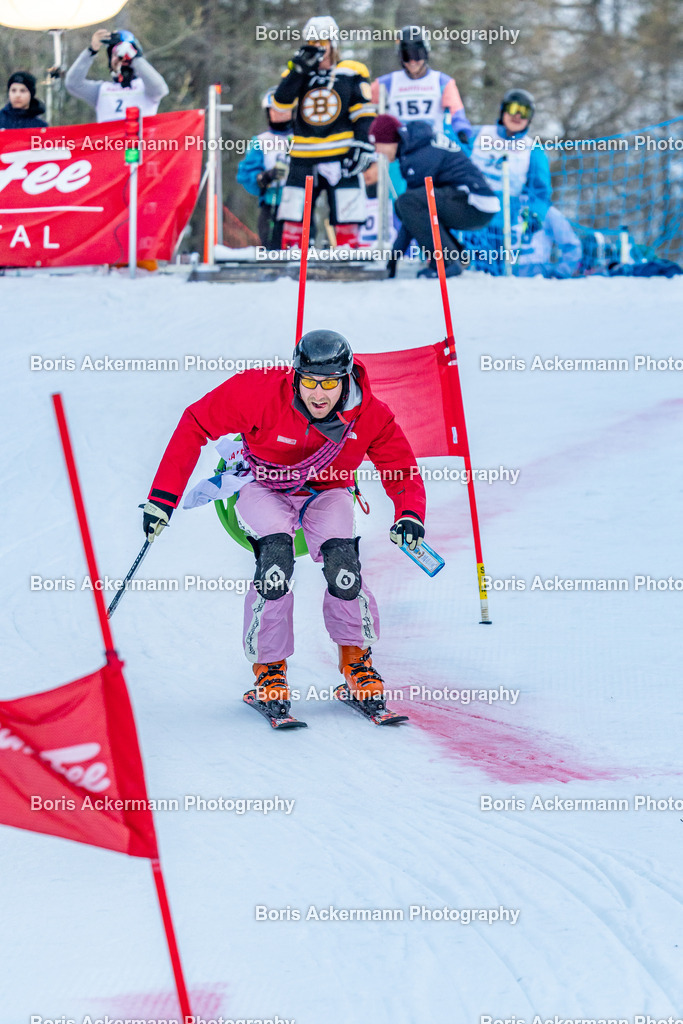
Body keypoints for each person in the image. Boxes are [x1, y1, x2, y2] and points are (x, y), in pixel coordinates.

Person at [142, 330, 427, 722]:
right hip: (263, 487)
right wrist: (162, 498)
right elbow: (196, 421)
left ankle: (356, 663)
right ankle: (269, 670)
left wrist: (410, 513)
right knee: (275, 563)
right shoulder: (258, 392)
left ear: (346, 379)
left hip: (327, 491)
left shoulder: (370, 414)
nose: (318, 394)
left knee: (343, 566)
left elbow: (400, 467)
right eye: (309, 381)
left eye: (330, 383)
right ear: (295, 376)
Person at [272, 15, 376, 249]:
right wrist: (298, 71)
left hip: (341, 154)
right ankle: (294, 257)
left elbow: (363, 112)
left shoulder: (352, 71)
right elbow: (279, 108)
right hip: (303, 156)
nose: (318, 47)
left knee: (348, 210)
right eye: (312, 42)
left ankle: (348, 256)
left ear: (333, 42)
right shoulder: (296, 72)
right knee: (295, 211)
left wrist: (363, 144)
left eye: (322, 41)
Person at [368, 114, 499, 277]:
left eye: (377, 144)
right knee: (407, 205)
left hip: (474, 204)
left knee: (406, 203)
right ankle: (456, 255)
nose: (377, 151)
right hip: (473, 202)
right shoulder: (418, 145)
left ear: (390, 140)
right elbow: (413, 215)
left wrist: (393, 260)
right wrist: (393, 260)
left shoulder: (418, 155)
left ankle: (447, 262)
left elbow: (410, 209)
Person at [466, 88, 551, 273]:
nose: (517, 116)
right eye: (513, 109)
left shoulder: (532, 150)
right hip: (466, 211)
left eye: (524, 112)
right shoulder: (477, 134)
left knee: (491, 270)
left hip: (500, 224)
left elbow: (540, 191)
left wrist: (535, 215)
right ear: (503, 110)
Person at [371, 26, 472, 143]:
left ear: (426, 54)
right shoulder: (385, 83)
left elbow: (457, 114)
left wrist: (462, 132)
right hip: (400, 145)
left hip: (432, 143)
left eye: (417, 55)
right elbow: (366, 108)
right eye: (406, 56)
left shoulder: (442, 82)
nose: (412, 62)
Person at [65, 28, 168, 123]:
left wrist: (135, 58)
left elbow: (160, 89)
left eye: (124, 56)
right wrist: (91, 51)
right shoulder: (101, 90)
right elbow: (73, 84)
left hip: (140, 137)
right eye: (115, 55)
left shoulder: (145, 87)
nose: (120, 59)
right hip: (109, 137)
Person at [237, 90, 293, 250]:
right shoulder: (261, 141)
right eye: (274, 110)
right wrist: (265, 177)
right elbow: (246, 174)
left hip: (300, 205)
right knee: (271, 248)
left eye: (284, 110)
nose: (279, 114)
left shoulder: (303, 139)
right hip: (272, 204)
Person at [516, 205, 582, 278]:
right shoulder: (507, 208)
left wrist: (561, 273)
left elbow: (572, 246)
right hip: (508, 277)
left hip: (537, 278)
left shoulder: (547, 211)